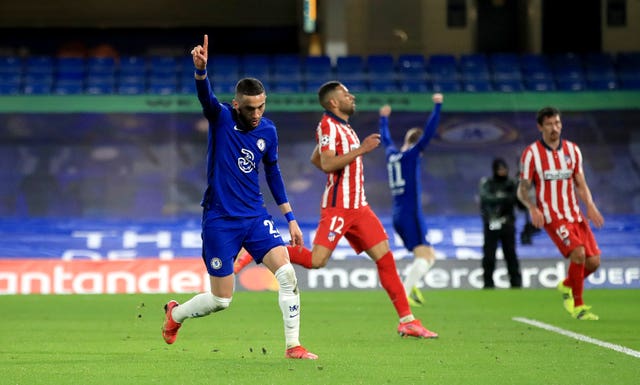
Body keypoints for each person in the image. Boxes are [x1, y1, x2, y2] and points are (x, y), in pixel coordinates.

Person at [236, 81, 438, 339]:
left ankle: (407, 321)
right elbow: (328, 162)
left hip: (359, 207)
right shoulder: (328, 125)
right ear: (333, 102)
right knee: (316, 261)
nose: (351, 96)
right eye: (345, 94)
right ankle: (260, 248)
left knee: (385, 259)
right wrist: (361, 150)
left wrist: (350, 157)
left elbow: (316, 158)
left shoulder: (344, 126)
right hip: (339, 208)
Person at [161, 35, 318, 359]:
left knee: (287, 273)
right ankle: (175, 315)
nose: (257, 113)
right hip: (220, 219)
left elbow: (272, 173)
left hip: (255, 217)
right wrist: (201, 72)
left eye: (261, 106)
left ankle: (293, 346)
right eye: (250, 108)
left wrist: (290, 217)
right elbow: (206, 98)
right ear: (237, 105)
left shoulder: (268, 132)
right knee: (222, 300)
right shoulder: (220, 119)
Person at [517, 106, 604, 320]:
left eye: (557, 123)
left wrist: (590, 205)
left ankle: (567, 285)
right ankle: (578, 306)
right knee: (579, 253)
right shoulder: (532, 154)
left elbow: (580, 184)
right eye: (549, 124)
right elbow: (522, 189)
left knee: (594, 263)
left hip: (574, 213)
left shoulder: (573, 151)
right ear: (540, 127)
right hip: (552, 215)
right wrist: (532, 208)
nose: (554, 128)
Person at [377, 93, 443, 306]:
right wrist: (437, 107)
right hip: (411, 212)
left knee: (428, 256)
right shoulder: (413, 155)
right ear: (417, 146)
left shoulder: (391, 155)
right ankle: (403, 295)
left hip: (398, 213)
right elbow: (429, 134)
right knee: (426, 258)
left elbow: (385, 139)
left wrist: (384, 119)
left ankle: (409, 281)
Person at [478, 158, 522, 289]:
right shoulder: (488, 183)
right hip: (492, 223)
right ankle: (488, 283)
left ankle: (516, 284)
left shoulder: (512, 183)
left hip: (507, 223)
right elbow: (485, 198)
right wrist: (504, 197)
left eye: (504, 169)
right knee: (489, 255)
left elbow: (518, 201)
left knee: (510, 254)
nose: (502, 172)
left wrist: (518, 187)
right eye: (499, 169)